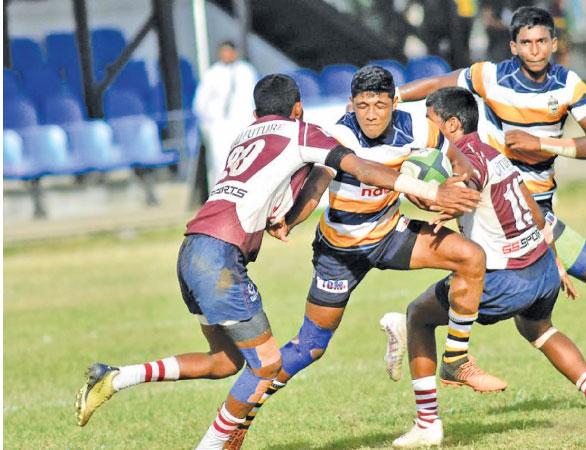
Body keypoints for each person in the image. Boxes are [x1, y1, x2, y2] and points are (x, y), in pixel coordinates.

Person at [74, 74, 481, 450]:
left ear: (256, 113)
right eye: (363, 104)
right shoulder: (304, 131)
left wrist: (287, 216)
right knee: (267, 363)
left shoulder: (246, 134)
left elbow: (279, 183)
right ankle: (220, 439)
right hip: (225, 256)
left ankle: (116, 376)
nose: (371, 113)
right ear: (300, 109)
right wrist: (427, 189)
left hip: (193, 249)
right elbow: (349, 167)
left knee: (225, 363)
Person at [394, 6, 586, 389]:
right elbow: (442, 82)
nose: (534, 50)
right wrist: (394, 97)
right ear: (513, 46)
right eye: (526, 43)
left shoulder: (568, 84)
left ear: (554, 43)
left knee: (571, 298)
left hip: (537, 209)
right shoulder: (491, 76)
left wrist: (542, 143)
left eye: (542, 41)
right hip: (504, 212)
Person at [221, 66, 505, 450]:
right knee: (310, 347)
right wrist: (290, 219)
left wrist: (458, 190)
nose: (371, 113)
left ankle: (455, 360)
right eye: (362, 105)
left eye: (380, 105)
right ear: (351, 105)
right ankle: (243, 415)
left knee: (471, 257)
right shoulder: (338, 135)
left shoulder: (420, 128)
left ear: (393, 103)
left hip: (390, 234)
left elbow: (460, 163)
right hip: (339, 252)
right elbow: (317, 185)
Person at [383, 87, 586, 448]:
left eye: (430, 121)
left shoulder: (462, 157)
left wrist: (425, 195)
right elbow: (531, 203)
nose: (426, 128)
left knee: (418, 315)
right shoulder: (492, 153)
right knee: (539, 329)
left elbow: (462, 188)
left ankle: (427, 425)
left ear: (451, 125)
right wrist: (555, 258)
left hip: (506, 278)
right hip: (541, 267)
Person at [193, 41, 259, 192]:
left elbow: (253, 97)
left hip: (242, 123)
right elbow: (200, 102)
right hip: (220, 124)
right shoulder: (212, 73)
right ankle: (219, 194)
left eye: (228, 51)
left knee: (247, 160)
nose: (226, 55)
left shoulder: (246, 71)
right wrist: (208, 124)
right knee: (220, 162)